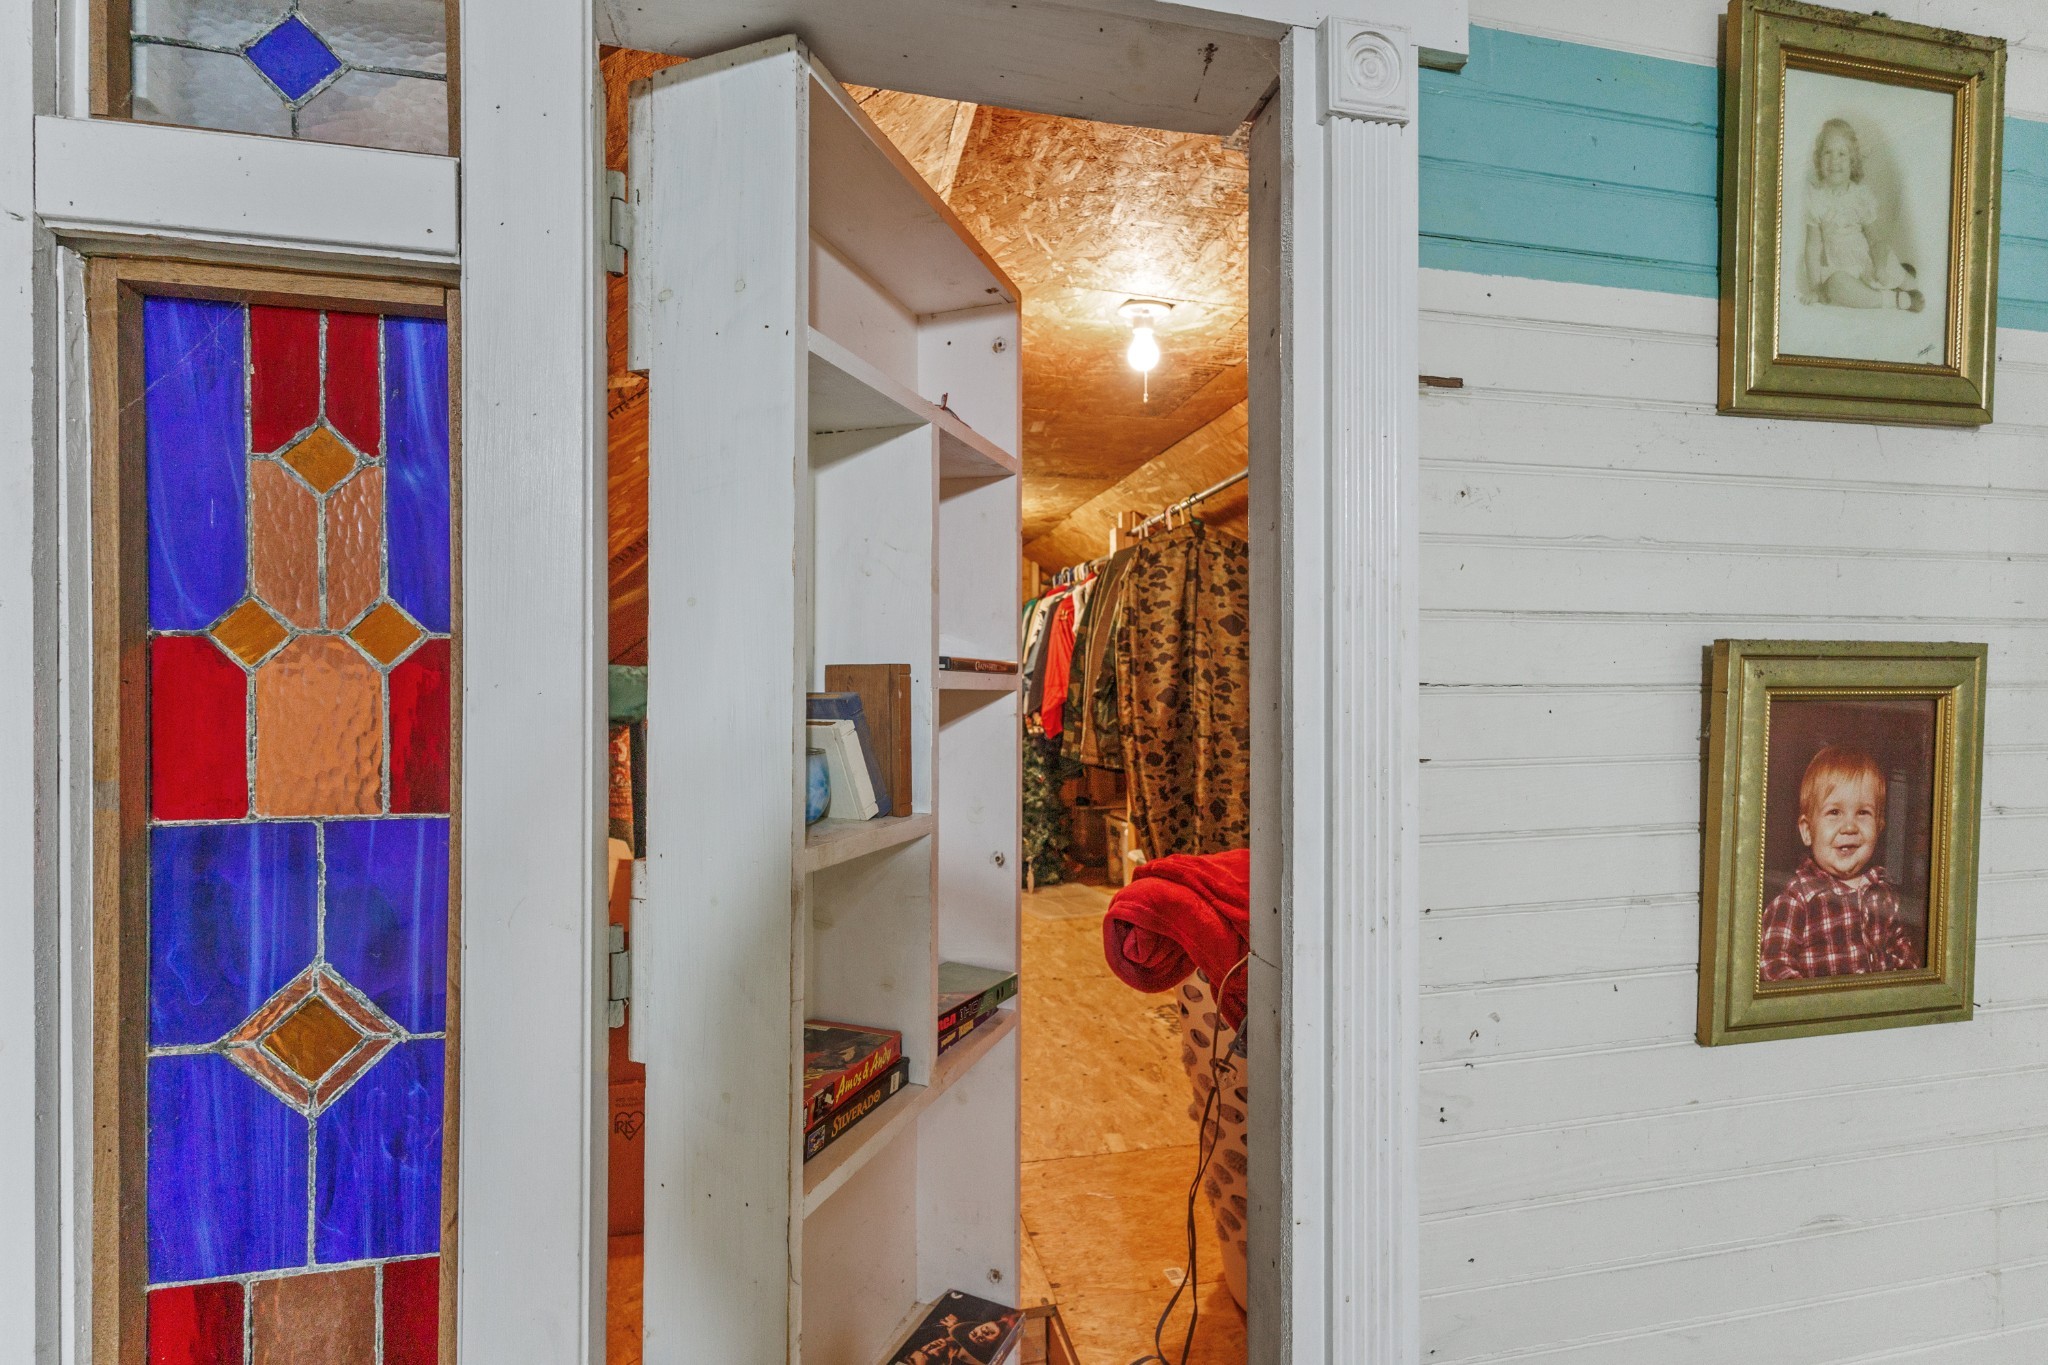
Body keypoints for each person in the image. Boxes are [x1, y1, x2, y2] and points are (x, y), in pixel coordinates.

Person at [1759, 744, 1921, 982]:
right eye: (1834, 812)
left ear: (1879, 827)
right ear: (1807, 831)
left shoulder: (1883, 892)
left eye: (1863, 813)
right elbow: (1773, 966)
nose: (1849, 827)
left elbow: (1904, 955)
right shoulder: (1797, 900)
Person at [1800, 117, 1924, 313]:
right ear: (1819, 158)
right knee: (1834, 286)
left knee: (1891, 267)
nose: (1834, 161)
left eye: (1842, 153)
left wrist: (1880, 267)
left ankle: (1903, 280)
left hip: (1868, 263)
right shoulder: (1816, 200)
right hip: (1842, 271)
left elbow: (1876, 241)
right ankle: (1894, 299)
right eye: (1828, 153)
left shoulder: (1860, 197)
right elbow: (1813, 247)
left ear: (1852, 161)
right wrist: (1816, 287)